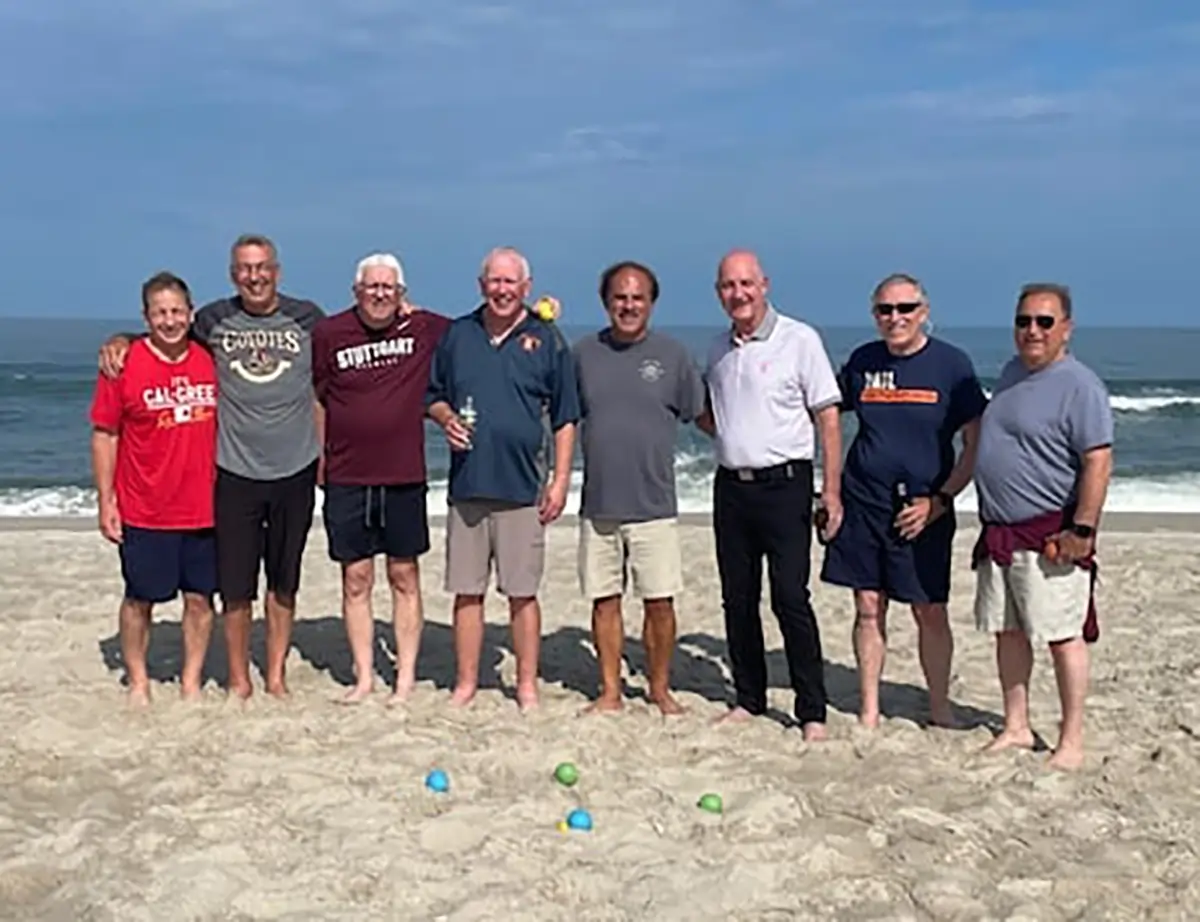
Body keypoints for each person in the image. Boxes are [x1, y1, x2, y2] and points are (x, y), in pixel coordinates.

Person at [99, 234, 324, 699]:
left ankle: (271, 677)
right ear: (232, 275)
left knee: (277, 583)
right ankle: (231, 679)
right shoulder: (213, 322)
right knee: (225, 589)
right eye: (245, 268)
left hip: (287, 472)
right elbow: (162, 341)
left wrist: (406, 312)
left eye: (262, 267)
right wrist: (121, 340)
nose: (254, 276)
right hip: (229, 478)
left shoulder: (308, 319)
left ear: (276, 271)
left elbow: (343, 354)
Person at [820, 273, 987, 728]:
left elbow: (976, 443)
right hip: (863, 501)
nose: (896, 318)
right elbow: (824, 410)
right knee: (868, 606)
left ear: (924, 312)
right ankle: (870, 708)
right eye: (885, 310)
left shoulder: (952, 365)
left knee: (928, 610)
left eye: (905, 309)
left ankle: (939, 706)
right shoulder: (863, 361)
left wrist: (940, 501)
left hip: (923, 509)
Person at [697, 249, 843, 740]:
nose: (738, 294)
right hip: (730, 489)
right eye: (727, 287)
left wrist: (832, 492)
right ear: (718, 293)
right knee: (737, 600)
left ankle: (812, 710)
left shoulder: (800, 340)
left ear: (765, 285)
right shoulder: (717, 349)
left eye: (746, 284)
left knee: (789, 598)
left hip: (786, 486)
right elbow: (712, 413)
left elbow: (827, 418)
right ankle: (749, 698)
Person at [425, 247, 580, 711]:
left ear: (526, 288)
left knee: (522, 593)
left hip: (522, 491)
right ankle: (467, 683)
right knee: (467, 593)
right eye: (494, 281)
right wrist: (445, 417)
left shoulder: (547, 338)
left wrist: (559, 480)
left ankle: (527, 685)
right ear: (481, 286)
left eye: (511, 282)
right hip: (468, 487)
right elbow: (432, 395)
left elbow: (565, 416)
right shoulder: (459, 334)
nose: (502, 289)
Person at [971, 282, 1113, 771]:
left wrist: (1082, 530)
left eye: (1044, 322)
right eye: (1023, 321)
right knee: (1008, 632)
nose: (1032, 330)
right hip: (1000, 532)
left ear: (1066, 329)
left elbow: (1097, 461)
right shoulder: (1012, 373)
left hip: (1050, 534)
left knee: (1062, 634)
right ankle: (1017, 726)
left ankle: (1071, 740)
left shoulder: (1080, 385)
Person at [312, 253, 450, 704]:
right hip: (346, 474)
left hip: (402, 473)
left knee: (404, 575)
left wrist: (539, 315)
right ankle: (365, 676)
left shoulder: (424, 328)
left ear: (401, 293)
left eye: (388, 288)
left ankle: (405, 678)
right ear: (356, 291)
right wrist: (320, 454)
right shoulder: (330, 333)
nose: (379, 294)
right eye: (371, 287)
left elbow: (480, 330)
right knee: (355, 578)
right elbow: (318, 396)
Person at [573, 261, 706, 716]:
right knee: (604, 601)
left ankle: (659, 687)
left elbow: (705, 416)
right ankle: (610, 690)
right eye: (620, 297)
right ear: (606, 302)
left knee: (660, 603)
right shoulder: (582, 355)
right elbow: (561, 420)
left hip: (654, 505)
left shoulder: (674, 355)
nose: (628, 305)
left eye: (637, 298)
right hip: (600, 503)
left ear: (651, 302)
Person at [90, 272, 218, 705]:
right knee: (140, 599)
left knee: (200, 600)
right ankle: (139, 680)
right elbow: (105, 434)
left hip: (204, 506)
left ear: (191, 313)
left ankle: (190, 680)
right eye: (160, 313)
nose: (169, 321)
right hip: (144, 506)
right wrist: (106, 500)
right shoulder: (122, 364)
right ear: (146, 317)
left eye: (177, 311)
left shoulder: (209, 359)